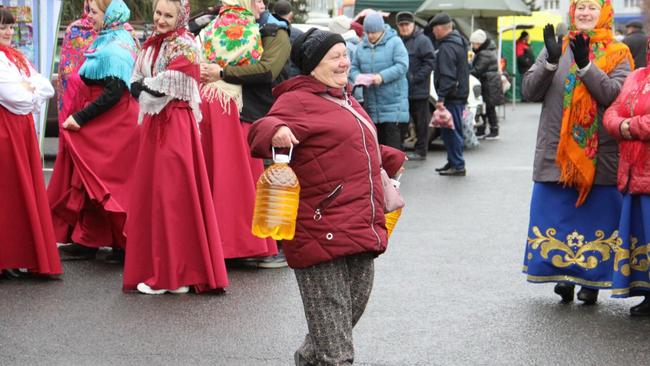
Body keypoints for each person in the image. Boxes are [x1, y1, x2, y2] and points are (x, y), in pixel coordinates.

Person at [248, 28, 406, 366]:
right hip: (320, 226)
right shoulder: (297, 99)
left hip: (360, 222)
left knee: (344, 316)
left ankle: (307, 358)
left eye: (345, 54)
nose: (344, 62)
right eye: (335, 56)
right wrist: (276, 130)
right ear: (314, 63)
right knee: (337, 350)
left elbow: (349, 143)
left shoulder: (346, 97)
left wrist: (388, 157)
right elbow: (259, 129)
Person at [522, 0, 632, 305]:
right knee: (558, 217)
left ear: (604, 13)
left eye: (591, 7)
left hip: (599, 158)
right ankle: (563, 276)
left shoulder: (619, 53)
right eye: (580, 7)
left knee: (595, 220)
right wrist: (550, 63)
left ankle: (590, 283)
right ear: (572, 12)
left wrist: (585, 66)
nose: (584, 13)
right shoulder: (556, 46)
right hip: (556, 155)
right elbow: (529, 91)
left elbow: (614, 96)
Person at [123, 0, 229, 295]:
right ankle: (171, 271)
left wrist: (143, 85)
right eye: (158, 13)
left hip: (175, 126)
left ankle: (174, 275)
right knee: (159, 197)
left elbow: (168, 84)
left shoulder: (185, 44)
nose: (161, 19)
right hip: (157, 125)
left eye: (168, 15)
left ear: (180, 16)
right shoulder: (154, 44)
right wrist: (144, 84)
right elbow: (139, 80)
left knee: (172, 199)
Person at [48, 0, 139, 263]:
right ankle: (88, 238)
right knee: (90, 180)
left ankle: (122, 242)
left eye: (95, 13)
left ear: (109, 15)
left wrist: (80, 116)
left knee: (110, 185)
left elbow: (113, 92)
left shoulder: (115, 48)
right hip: (109, 120)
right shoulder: (112, 37)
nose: (91, 17)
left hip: (113, 124)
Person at [200, 0, 289, 268]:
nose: (258, 4)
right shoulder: (219, 26)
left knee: (266, 182)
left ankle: (273, 247)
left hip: (262, 113)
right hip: (236, 113)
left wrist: (223, 72)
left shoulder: (275, 32)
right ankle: (236, 244)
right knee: (237, 182)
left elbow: (268, 70)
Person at [0, 8, 61, 279]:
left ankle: (16, 256)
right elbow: (16, 97)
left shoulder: (16, 58)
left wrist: (29, 90)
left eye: (10, 27)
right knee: (9, 195)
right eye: (2, 27)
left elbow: (45, 87)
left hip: (19, 130)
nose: (8, 32)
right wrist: (29, 90)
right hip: (5, 132)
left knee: (21, 194)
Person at [603, 38, 650, 316]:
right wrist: (620, 124)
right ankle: (647, 293)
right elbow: (612, 111)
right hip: (633, 174)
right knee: (641, 236)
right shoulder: (636, 75)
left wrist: (626, 126)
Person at [349, 11, 409, 150]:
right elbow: (353, 67)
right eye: (368, 32)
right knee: (377, 147)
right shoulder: (361, 46)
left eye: (374, 32)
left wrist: (382, 77)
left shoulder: (395, 42)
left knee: (392, 147)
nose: (370, 36)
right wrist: (357, 77)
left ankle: (394, 172)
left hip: (393, 105)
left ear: (382, 29)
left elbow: (402, 65)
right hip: (371, 105)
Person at [429, 12, 469, 176]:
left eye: (434, 29)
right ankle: (452, 161)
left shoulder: (446, 47)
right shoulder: (458, 42)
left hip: (452, 96)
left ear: (440, 28)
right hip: (457, 94)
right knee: (449, 130)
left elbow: (447, 75)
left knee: (452, 132)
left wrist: (441, 98)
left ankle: (458, 165)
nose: (433, 32)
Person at [396, 11, 435, 161]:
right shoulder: (398, 40)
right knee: (403, 122)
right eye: (402, 25)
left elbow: (430, 62)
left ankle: (421, 150)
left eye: (407, 24)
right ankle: (402, 149)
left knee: (421, 122)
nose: (404, 28)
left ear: (413, 25)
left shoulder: (423, 40)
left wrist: (415, 78)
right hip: (402, 91)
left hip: (419, 90)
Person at [470, 29, 505, 140]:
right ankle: (483, 130)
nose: (472, 45)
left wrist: (466, 70)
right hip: (489, 82)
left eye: (473, 43)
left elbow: (477, 70)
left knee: (489, 107)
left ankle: (494, 131)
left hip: (489, 83)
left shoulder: (485, 53)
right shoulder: (487, 51)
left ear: (479, 43)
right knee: (486, 107)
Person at [273, 0, 303, 78]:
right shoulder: (299, 35)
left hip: (274, 78)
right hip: (294, 78)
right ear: (291, 15)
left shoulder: (265, 31)